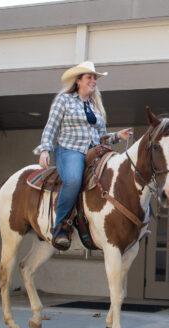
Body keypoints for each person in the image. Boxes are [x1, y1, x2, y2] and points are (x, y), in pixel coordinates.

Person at [33, 61, 133, 250]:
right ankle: (60, 227)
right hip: (70, 150)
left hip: (95, 151)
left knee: (118, 174)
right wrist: (45, 149)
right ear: (78, 81)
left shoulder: (96, 107)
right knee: (72, 180)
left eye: (95, 78)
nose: (93, 81)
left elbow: (102, 138)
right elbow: (51, 127)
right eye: (89, 77)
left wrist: (117, 136)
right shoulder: (64, 100)